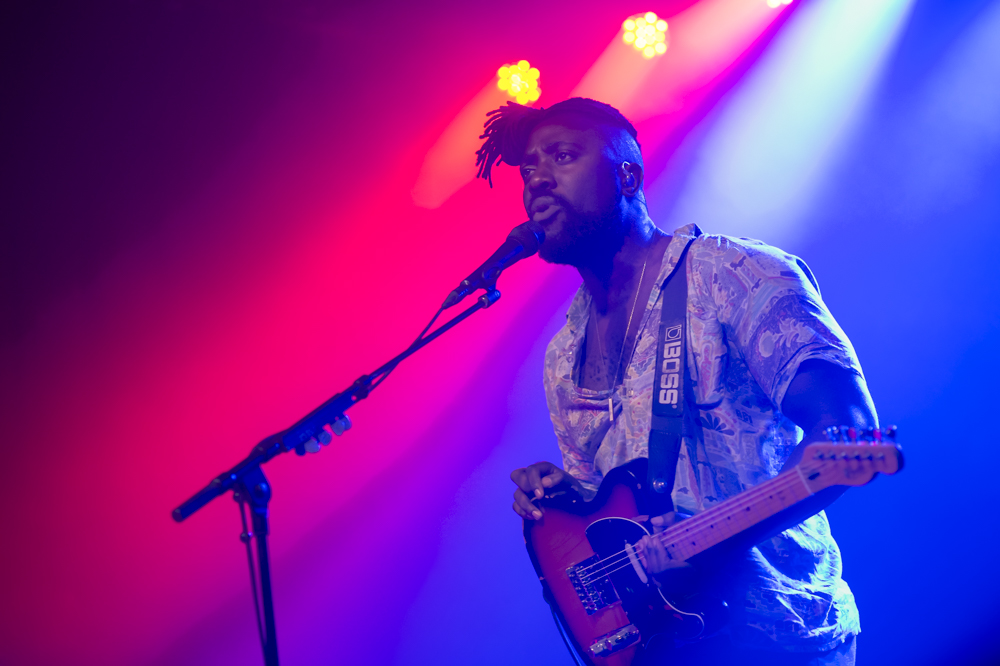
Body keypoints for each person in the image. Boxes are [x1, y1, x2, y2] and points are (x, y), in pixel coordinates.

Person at [482, 98, 875, 665]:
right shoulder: (563, 353)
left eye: (562, 156)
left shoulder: (733, 274)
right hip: (667, 647)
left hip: (777, 639)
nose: (538, 179)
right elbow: (611, 513)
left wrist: (709, 546)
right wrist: (572, 498)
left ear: (627, 175)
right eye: (528, 171)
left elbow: (847, 435)